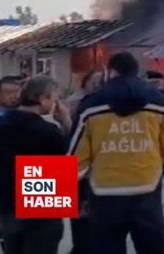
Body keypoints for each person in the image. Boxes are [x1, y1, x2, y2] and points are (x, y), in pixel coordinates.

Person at [68, 52, 164, 254]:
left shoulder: (90, 106)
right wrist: (156, 170)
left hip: (105, 195)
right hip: (146, 191)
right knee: (154, 248)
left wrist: (75, 195)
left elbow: (75, 160)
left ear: (110, 72)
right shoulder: (159, 103)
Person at [0, 75, 73, 254]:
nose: (56, 104)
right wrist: (66, 121)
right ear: (43, 99)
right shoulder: (48, 132)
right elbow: (70, 161)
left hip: (8, 204)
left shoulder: (0, 125)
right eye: (55, 98)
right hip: (41, 206)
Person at [65, 70, 103, 254]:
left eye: (100, 80)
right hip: (76, 167)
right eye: (93, 80)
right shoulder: (74, 103)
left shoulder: (104, 105)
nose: (97, 84)